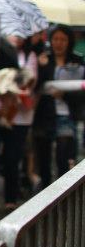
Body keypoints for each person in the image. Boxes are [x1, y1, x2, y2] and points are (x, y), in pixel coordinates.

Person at [0, 32, 37, 213]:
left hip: (19, 117)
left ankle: (10, 198)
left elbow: (30, 83)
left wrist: (12, 89)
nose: (17, 37)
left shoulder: (29, 56)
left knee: (12, 158)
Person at [33, 25, 85, 187]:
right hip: (44, 114)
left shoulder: (77, 60)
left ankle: (62, 189)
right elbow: (35, 86)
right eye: (55, 39)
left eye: (63, 39)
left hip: (67, 114)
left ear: (69, 41)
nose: (59, 43)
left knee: (64, 153)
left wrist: (65, 95)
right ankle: (45, 188)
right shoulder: (43, 59)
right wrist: (41, 67)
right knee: (43, 155)